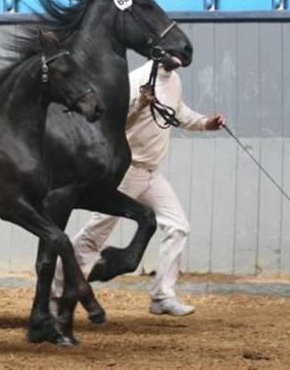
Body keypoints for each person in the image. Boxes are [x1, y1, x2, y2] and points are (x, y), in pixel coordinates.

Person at [51, 59, 226, 317]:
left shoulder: (174, 81)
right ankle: (55, 294)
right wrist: (139, 105)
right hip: (127, 172)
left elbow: (177, 112)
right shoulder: (134, 81)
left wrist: (205, 123)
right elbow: (112, 124)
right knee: (96, 233)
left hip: (152, 174)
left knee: (178, 227)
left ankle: (162, 296)